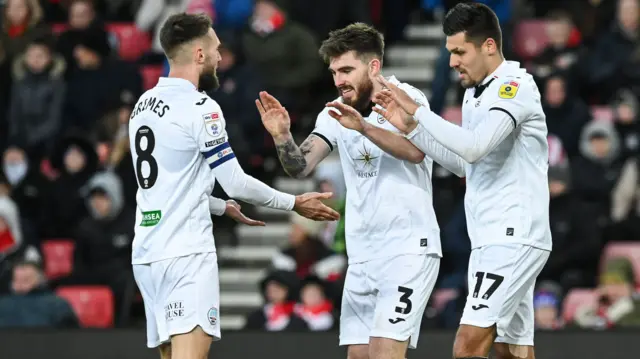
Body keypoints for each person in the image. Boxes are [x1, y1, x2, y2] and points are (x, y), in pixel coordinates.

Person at [129, 13, 339, 359]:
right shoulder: (202, 108)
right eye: (214, 48)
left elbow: (159, 183)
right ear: (199, 54)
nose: (219, 56)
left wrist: (216, 205)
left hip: (147, 254)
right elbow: (236, 182)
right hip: (186, 254)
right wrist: (293, 202)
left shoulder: (142, 105)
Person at [256, 23, 461, 359]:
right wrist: (281, 136)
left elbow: (417, 151)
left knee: (384, 352)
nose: (339, 80)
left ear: (373, 66)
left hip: (408, 248)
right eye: (335, 71)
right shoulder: (333, 112)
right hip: (363, 254)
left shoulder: (405, 97)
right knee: (358, 356)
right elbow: (300, 165)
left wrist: (363, 127)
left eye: (347, 70)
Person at [371, 3, 552, 359]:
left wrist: (418, 111)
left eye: (459, 52)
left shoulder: (514, 87)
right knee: (512, 350)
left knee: (467, 345)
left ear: (488, 46)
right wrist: (411, 128)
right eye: (449, 52)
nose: (452, 62)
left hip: (513, 236)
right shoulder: (475, 94)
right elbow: (463, 164)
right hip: (488, 238)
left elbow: (473, 147)